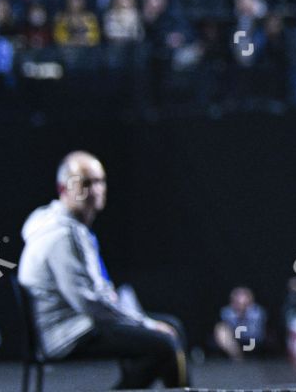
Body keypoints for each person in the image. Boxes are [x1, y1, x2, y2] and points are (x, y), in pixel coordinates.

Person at [17, 151, 190, 388]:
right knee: (165, 343)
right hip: (70, 333)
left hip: (79, 324)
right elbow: (88, 303)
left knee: (172, 327)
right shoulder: (61, 236)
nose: (96, 190)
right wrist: (144, 323)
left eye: (100, 181)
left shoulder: (70, 228)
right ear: (63, 189)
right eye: (86, 183)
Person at [213, 287, 267, 360]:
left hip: (252, 341)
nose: (240, 304)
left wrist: (243, 315)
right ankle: (237, 357)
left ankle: (240, 356)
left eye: (244, 301)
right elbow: (227, 331)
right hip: (233, 342)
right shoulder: (227, 312)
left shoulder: (257, 312)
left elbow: (254, 333)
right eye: (237, 300)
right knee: (221, 329)